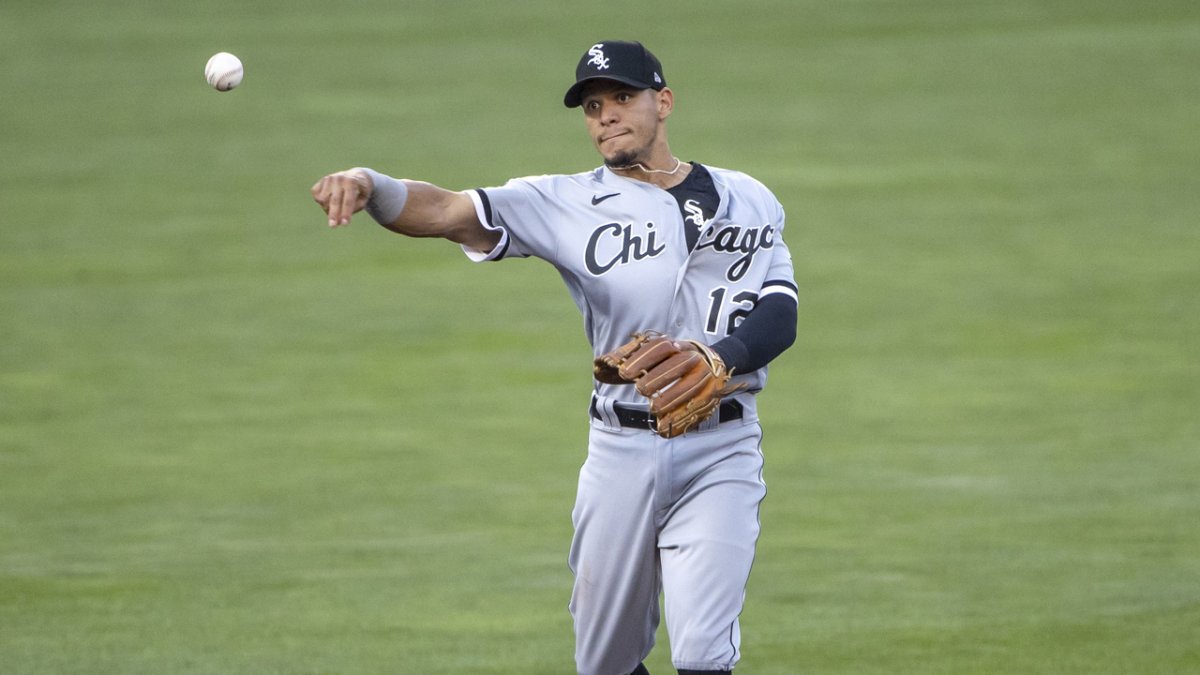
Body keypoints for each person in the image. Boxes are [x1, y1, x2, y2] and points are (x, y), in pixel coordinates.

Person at [312, 39, 797, 675]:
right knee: (606, 663)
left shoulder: (748, 197)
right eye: (593, 106)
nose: (607, 116)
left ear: (664, 102)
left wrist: (721, 357)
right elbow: (447, 210)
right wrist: (368, 183)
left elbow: (779, 312)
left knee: (705, 654)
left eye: (623, 98)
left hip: (723, 450)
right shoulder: (560, 200)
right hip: (620, 454)